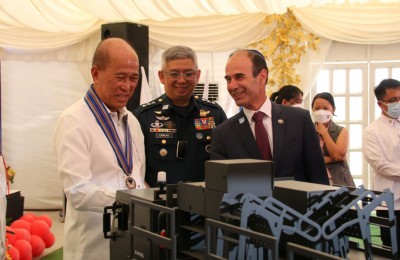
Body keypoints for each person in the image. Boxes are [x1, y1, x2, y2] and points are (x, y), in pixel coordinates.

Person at [54, 38, 146, 260]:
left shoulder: (132, 121)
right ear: (96, 74)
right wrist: (132, 200)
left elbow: (136, 177)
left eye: (134, 78)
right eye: (120, 77)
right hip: (93, 247)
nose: (128, 86)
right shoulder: (73, 120)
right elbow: (77, 191)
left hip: (132, 239)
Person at [211, 49, 329, 185]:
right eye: (228, 79)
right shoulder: (223, 134)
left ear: (262, 76)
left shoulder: (299, 120)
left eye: (239, 77)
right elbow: (220, 190)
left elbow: (319, 180)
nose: (232, 86)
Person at [134, 45, 227, 187]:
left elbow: (227, 164)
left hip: (205, 203)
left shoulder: (215, 114)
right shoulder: (143, 117)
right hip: (160, 204)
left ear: (198, 75)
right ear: (161, 76)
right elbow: (135, 170)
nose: (182, 80)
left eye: (189, 73)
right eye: (174, 74)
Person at [363, 78, 400, 257]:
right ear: (380, 104)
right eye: (393, 100)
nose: (399, 103)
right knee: (391, 252)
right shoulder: (371, 132)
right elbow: (381, 165)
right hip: (389, 203)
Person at [311, 92, 356, 187]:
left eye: (325, 108)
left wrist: (324, 133)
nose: (321, 111)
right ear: (312, 110)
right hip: (313, 181)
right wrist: (333, 159)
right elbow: (305, 159)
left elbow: (338, 156)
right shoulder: (306, 130)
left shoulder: (341, 131)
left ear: (333, 109)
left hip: (339, 182)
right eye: (317, 108)